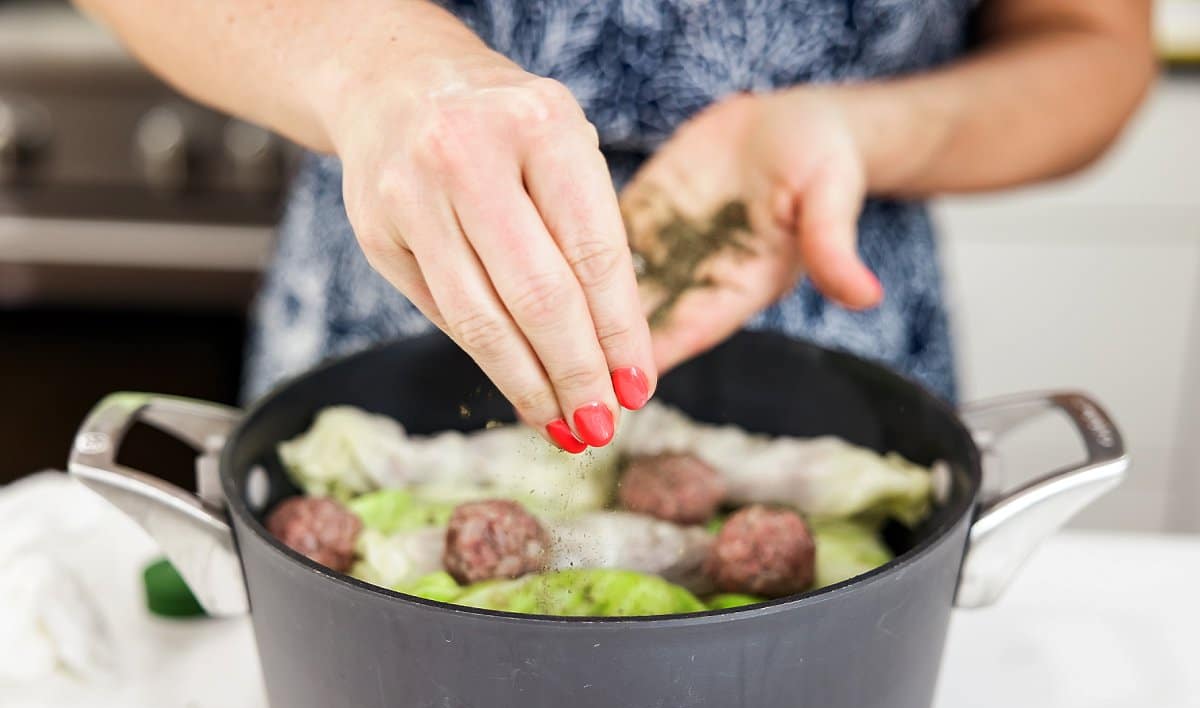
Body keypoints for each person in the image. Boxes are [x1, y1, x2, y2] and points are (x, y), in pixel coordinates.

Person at [78, 0, 1154, 453]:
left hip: (825, 301)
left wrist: (860, 129)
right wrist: (374, 67)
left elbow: (1092, 42)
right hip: (404, 279)